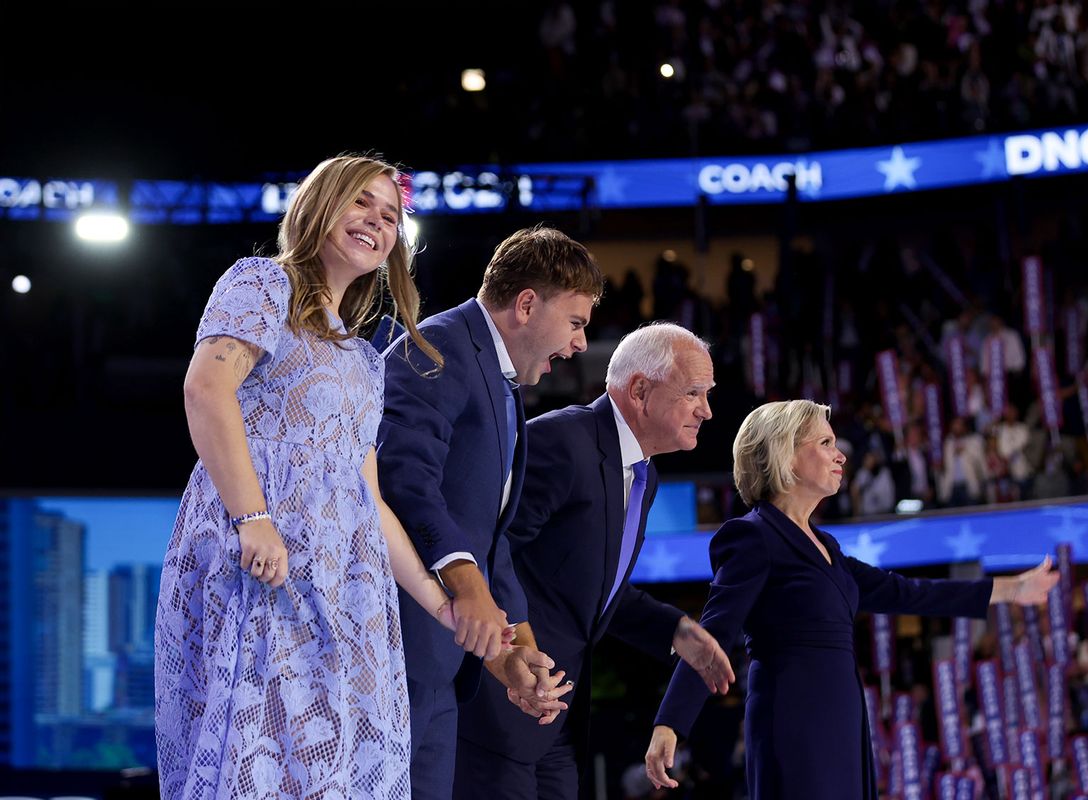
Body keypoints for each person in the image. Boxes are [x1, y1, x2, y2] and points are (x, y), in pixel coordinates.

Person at [155, 155, 463, 799]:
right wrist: (253, 520)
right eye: (362, 204)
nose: (377, 223)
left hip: (344, 590)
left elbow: (368, 499)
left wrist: (439, 602)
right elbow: (206, 390)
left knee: (327, 767)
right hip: (261, 562)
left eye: (390, 216)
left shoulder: (363, 358)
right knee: (258, 756)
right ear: (320, 205)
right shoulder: (261, 283)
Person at [645, 399, 1059, 799]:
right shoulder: (752, 537)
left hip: (844, 724)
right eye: (824, 443)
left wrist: (1011, 589)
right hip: (795, 723)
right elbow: (710, 632)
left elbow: (908, 592)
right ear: (784, 456)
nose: (840, 455)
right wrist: (671, 723)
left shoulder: (827, 547)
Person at [455, 323, 734, 799]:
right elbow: (486, 554)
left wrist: (673, 629)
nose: (706, 410)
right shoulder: (563, 442)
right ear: (641, 389)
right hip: (500, 711)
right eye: (692, 393)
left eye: (707, 394)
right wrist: (511, 654)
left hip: (556, 722)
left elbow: (588, 588)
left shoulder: (645, 478)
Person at [377, 225, 605, 799]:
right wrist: (466, 585)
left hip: (441, 669)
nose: (579, 345)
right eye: (575, 323)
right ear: (527, 304)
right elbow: (406, 483)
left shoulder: (503, 384)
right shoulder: (435, 347)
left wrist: (519, 652)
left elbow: (492, 538)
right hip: (393, 653)